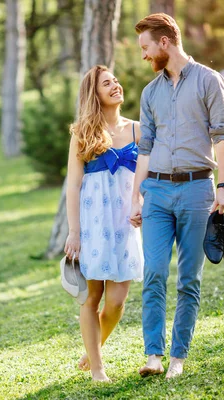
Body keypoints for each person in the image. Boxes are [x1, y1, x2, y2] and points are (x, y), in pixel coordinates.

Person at [130, 13, 224, 379]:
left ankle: (178, 357)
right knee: (154, 273)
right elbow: (145, 148)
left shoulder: (209, 81)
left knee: (189, 278)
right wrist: (135, 197)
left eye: (145, 47)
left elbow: (222, 137)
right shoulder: (150, 92)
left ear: (164, 43)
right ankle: (153, 356)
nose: (143, 55)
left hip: (196, 189)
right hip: (156, 191)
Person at [64, 65, 144, 382]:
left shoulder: (138, 129)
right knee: (92, 298)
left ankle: (92, 347)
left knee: (116, 302)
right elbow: (73, 184)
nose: (115, 86)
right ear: (94, 94)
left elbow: (150, 172)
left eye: (116, 81)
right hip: (94, 220)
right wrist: (74, 232)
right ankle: (97, 368)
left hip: (125, 221)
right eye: (106, 83)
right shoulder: (82, 133)